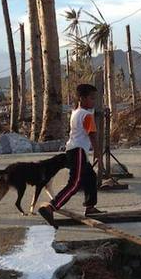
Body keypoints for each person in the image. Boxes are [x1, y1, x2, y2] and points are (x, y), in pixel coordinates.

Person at [37, 83, 101, 228]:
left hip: (75, 150)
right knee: (75, 183)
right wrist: (97, 153)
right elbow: (92, 135)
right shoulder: (87, 115)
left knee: (90, 177)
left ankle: (90, 207)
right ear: (82, 98)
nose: (93, 101)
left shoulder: (75, 112)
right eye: (91, 98)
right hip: (78, 151)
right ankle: (51, 207)